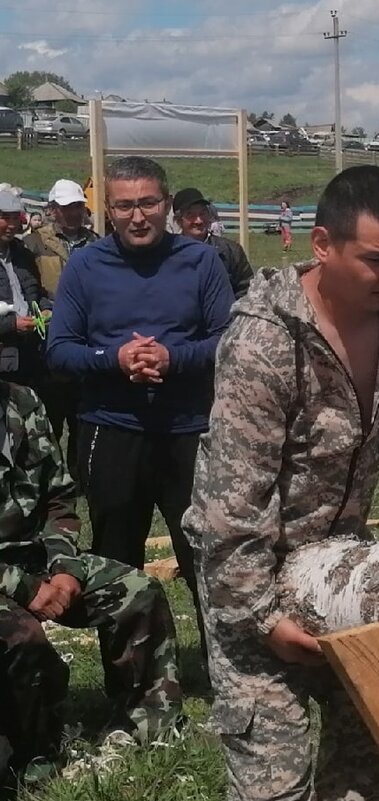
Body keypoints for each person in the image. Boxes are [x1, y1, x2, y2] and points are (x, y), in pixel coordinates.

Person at [184, 165, 379, 801]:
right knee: (272, 785)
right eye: (376, 259)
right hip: (251, 574)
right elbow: (231, 502)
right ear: (323, 246)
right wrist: (261, 615)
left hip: (343, 570)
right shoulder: (264, 341)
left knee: (372, 770)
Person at [45, 156, 234, 666]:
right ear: (106, 210)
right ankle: (132, 689)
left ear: (166, 205)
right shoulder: (86, 266)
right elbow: (59, 349)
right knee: (117, 561)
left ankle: (229, 673)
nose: (138, 216)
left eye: (148, 203)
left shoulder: (201, 262)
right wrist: (114, 359)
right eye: (124, 205)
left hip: (189, 428)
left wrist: (174, 358)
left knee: (207, 557)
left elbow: (229, 342)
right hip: (113, 427)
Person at [0, 380, 181, 790]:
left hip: (34, 556)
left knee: (137, 590)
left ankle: (149, 721)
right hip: (8, 576)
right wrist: (25, 589)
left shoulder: (22, 401)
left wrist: (65, 568)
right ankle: (35, 750)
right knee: (21, 638)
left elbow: (59, 497)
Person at [23, 180, 98, 477]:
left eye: (77, 207)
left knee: (82, 416)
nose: (73, 213)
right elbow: (28, 286)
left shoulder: (96, 242)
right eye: (67, 208)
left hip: (88, 339)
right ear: (53, 210)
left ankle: (81, 476)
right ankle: (51, 477)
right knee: (50, 415)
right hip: (48, 340)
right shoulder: (32, 244)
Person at [0, 191, 52, 391]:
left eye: (16, 218)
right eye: (5, 218)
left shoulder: (23, 254)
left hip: (30, 352)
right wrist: (11, 324)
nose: (13, 225)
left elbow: (37, 293)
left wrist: (45, 309)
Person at [172, 188, 254, 298]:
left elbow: (247, 291)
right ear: (179, 220)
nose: (199, 221)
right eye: (191, 215)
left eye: (203, 213)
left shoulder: (231, 251)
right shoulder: (169, 254)